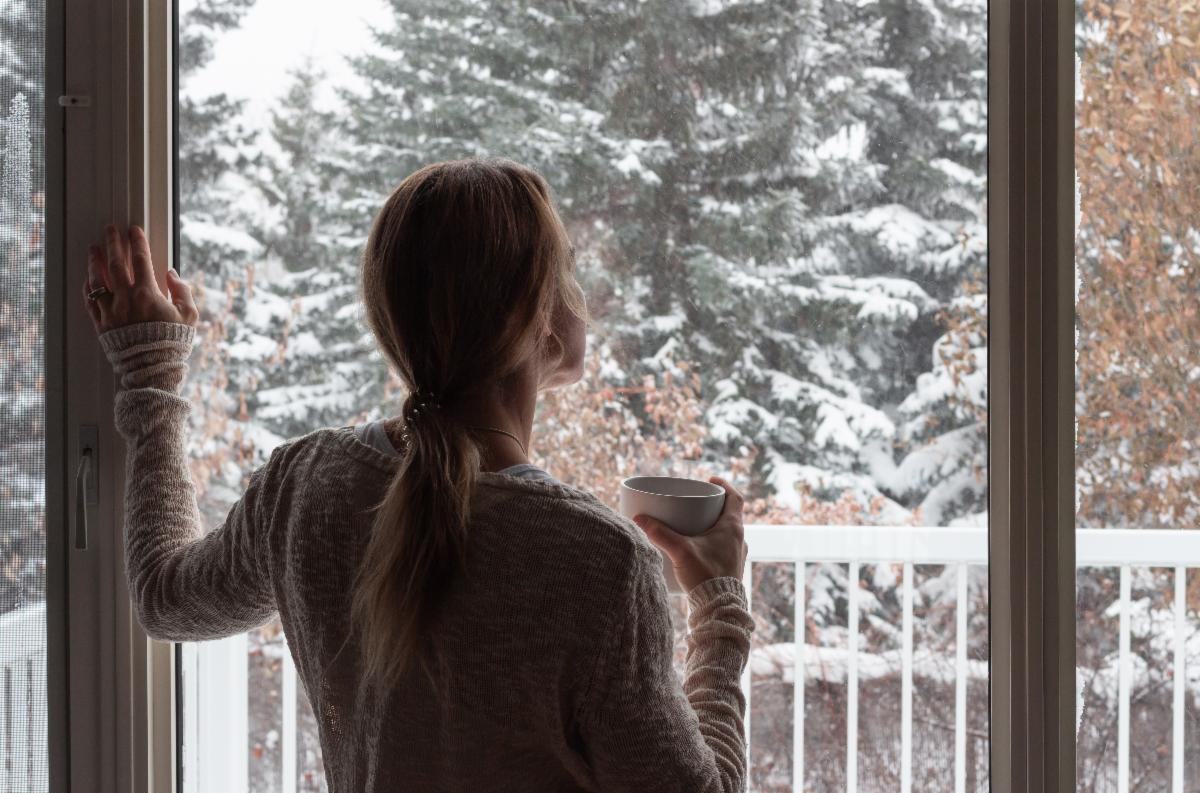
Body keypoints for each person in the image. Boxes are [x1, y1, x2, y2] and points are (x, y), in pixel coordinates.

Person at [83, 157, 754, 792]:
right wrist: (721, 603)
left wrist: (151, 374)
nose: (585, 293)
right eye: (568, 269)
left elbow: (163, 595)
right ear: (530, 316)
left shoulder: (306, 486)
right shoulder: (600, 563)